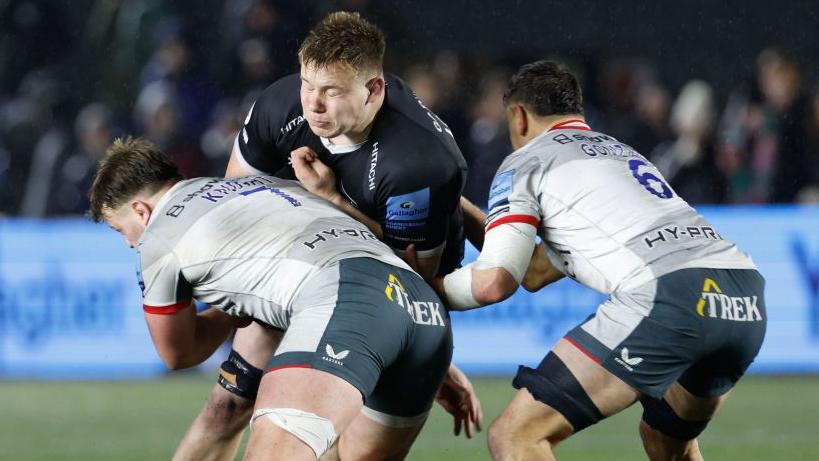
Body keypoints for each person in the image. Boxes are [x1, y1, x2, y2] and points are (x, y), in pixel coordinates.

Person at [178, 11, 484, 461]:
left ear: (373, 90)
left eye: (332, 93)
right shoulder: (280, 105)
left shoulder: (418, 163)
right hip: (304, 265)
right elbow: (234, 204)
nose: (313, 105)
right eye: (308, 85)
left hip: (386, 289)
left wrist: (332, 199)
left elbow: (404, 278)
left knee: (339, 450)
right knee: (227, 403)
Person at [428, 61, 767, 461]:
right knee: (667, 441)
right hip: (744, 296)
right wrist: (459, 206)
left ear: (518, 117)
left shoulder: (527, 161)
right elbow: (534, 272)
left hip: (672, 294)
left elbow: (494, 282)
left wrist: (425, 290)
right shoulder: (621, 154)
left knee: (516, 437)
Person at [89, 137, 454, 461]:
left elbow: (178, 352)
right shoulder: (263, 184)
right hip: (422, 312)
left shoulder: (159, 239)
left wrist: (231, 313)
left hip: (345, 302)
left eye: (121, 230)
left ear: (141, 211)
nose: (129, 242)